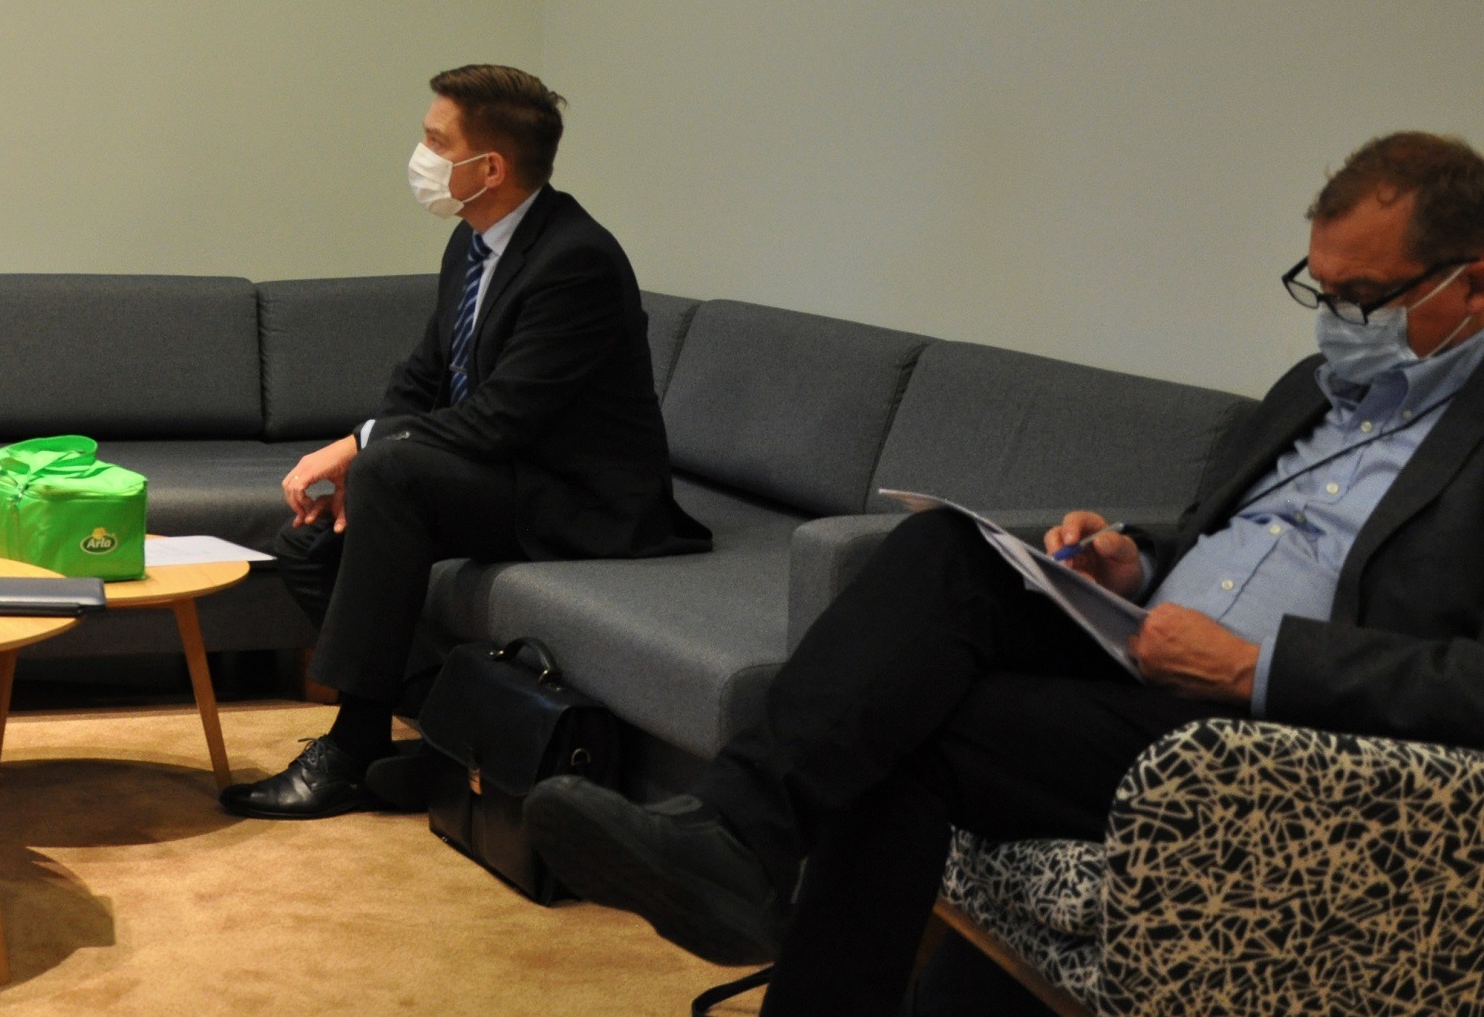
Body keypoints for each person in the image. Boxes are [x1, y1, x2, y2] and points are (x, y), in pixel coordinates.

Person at [526, 131, 1484, 1016]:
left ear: (1472, 282)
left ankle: (746, 851)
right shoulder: (1311, 390)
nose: (1335, 323)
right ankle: (735, 830)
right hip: (1147, 653)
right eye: (1318, 291)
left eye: (1363, 298)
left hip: (1275, 737)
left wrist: (1255, 668)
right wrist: (1136, 555)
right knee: (945, 551)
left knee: (914, 727)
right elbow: (1222, 530)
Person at [220, 64, 710, 819]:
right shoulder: (474, 240)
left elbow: (501, 419)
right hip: (508, 473)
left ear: (490, 169)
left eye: (435, 141)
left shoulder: (575, 259)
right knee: (308, 547)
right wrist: (366, 453)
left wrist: (364, 449)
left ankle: (351, 749)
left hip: (580, 498)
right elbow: (422, 377)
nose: (420, 155)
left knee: (391, 475)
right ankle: (450, 729)